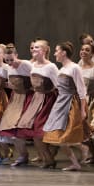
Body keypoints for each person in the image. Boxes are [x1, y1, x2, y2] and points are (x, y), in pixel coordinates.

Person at [14, 39, 59, 168]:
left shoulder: (51, 66)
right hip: (35, 99)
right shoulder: (31, 65)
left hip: (47, 100)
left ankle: (49, 157)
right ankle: (47, 158)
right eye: (33, 48)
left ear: (44, 50)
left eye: (38, 48)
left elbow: (58, 86)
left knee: (39, 131)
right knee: (33, 131)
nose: (34, 49)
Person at [43, 42, 87, 171]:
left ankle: (76, 160)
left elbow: (81, 89)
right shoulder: (61, 69)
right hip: (60, 103)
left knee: (61, 136)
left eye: (57, 51)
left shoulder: (74, 68)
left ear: (64, 52)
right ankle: (79, 152)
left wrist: (83, 109)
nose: (55, 53)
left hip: (70, 103)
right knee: (54, 136)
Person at [0, 43, 33, 166]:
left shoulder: (26, 65)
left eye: (12, 59)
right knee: (10, 130)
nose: (10, 62)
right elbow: (11, 84)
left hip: (27, 98)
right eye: (7, 60)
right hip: (15, 99)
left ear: (16, 55)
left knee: (20, 130)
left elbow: (36, 79)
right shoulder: (8, 68)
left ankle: (27, 155)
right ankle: (23, 155)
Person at [78, 39, 94, 164]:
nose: (84, 52)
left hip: (92, 100)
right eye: (82, 49)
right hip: (80, 100)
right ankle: (93, 154)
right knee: (83, 128)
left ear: (92, 54)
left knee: (89, 128)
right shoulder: (78, 66)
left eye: (87, 50)